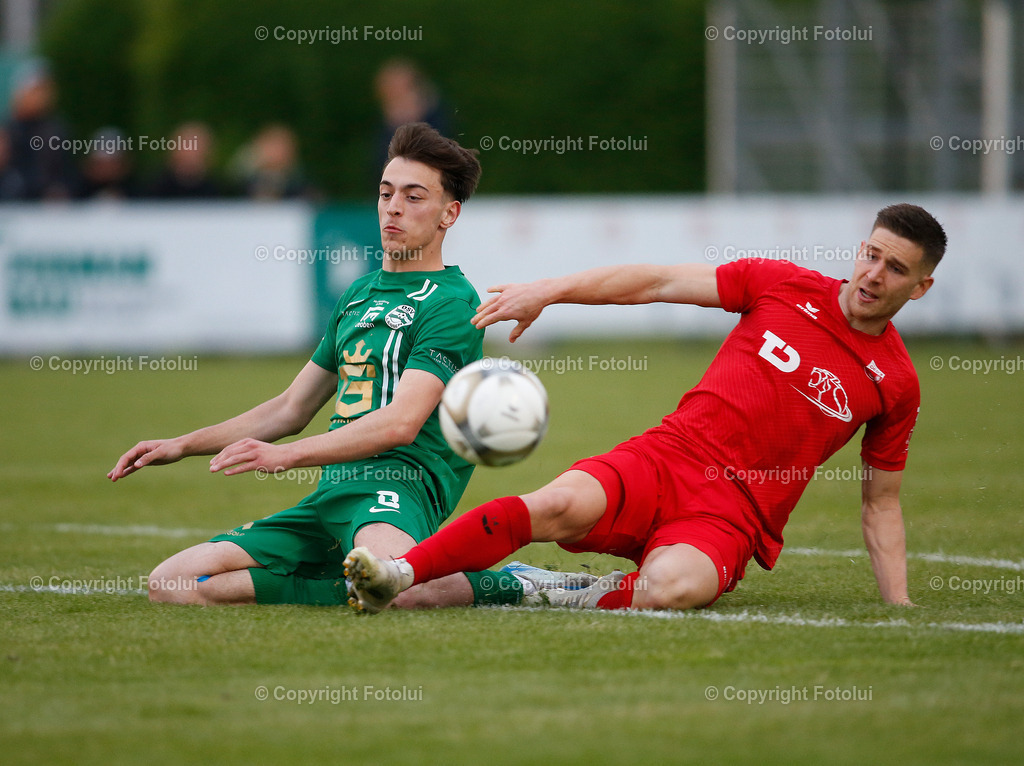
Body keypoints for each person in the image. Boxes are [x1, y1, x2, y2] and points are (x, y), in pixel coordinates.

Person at [345, 203, 946, 614]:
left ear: (921, 288)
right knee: (554, 504)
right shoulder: (781, 285)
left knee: (672, 589)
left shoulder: (895, 382)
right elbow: (656, 281)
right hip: (668, 457)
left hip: (733, 516)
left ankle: (549, 590)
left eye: (896, 269)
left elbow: (881, 502)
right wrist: (549, 291)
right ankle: (399, 572)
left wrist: (900, 607)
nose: (873, 274)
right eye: (871, 254)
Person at [109, 122, 570, 608]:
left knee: (402, 594)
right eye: (386, 192)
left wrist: (288, 455)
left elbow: (400, 424)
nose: (393, 207)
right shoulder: (358, 294)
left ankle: (517, 582)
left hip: (398, 491)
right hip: (331, 493)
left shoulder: (453, 303)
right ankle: (355, 580)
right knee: (171, 584)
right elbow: (290, 407)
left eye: (414, 197)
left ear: (448, 215)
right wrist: (182, 445)